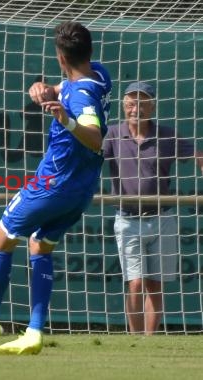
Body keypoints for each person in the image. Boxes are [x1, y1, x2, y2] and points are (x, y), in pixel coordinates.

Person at [0, 21, 112, 355]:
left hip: (53, 183)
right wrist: (42, 88)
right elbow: (63, 88)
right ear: (88, 52)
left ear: (60, 57)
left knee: (0, 237)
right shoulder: (97, 74)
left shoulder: (80, 94)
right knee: (39, 246)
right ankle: (34, 331)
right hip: (82, 189)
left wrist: (65, 119)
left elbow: (95, 138)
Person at [103, 81, 203, 335]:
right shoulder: (112, 134)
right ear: (124, 105)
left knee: (155, 286)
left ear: (153, 106)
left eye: (143, 102)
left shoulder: (167, 135)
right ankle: (135, 341)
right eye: (132, 102)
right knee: (135, 284)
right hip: (127, 220)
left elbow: (197, 155)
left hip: (162, 219)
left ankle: (149, 340)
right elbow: (89, 156)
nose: (137, 107)